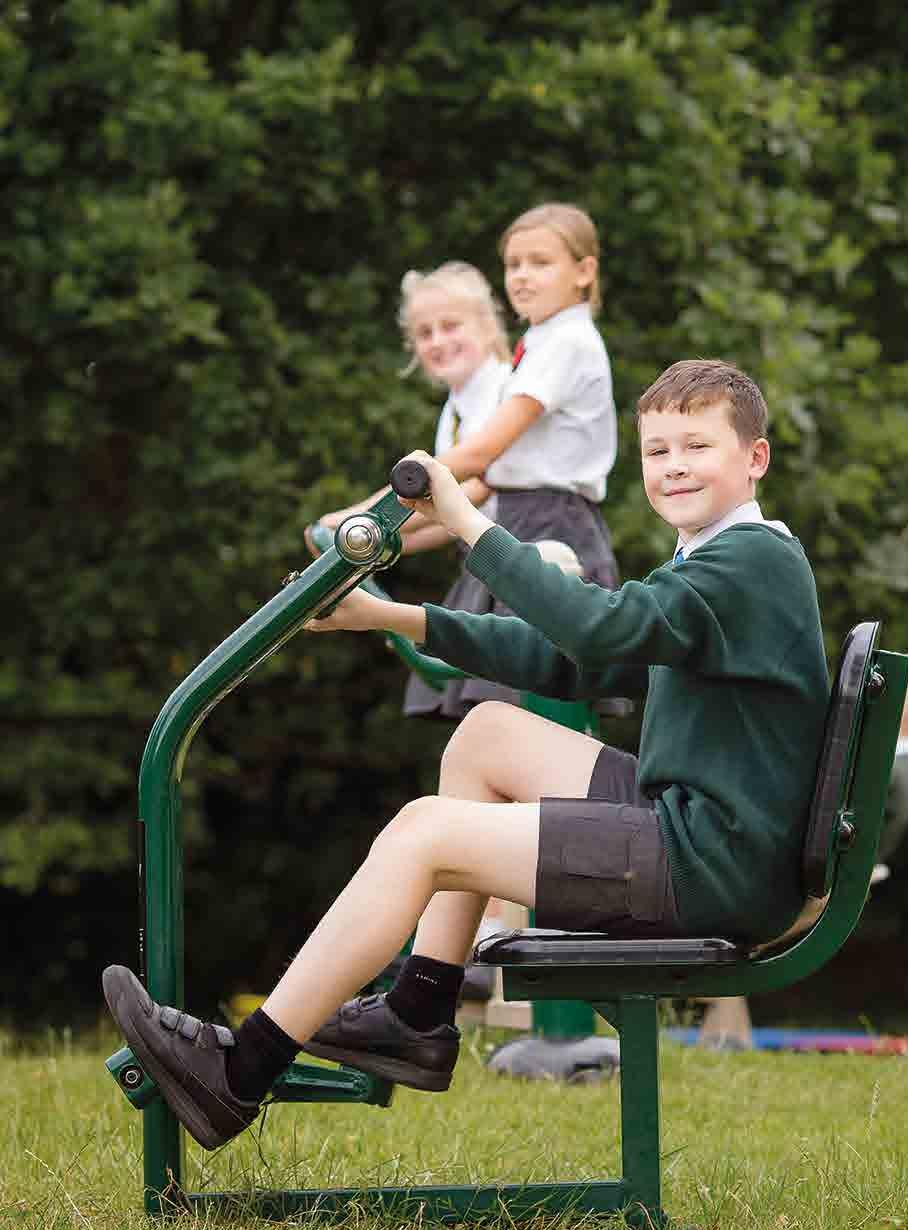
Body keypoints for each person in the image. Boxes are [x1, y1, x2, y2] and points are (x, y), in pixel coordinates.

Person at [102, 358, 830, 1151]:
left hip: (709, 862)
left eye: (697, 446)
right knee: (488, 734)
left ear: (754, 458)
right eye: (658, 450)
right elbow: (575, 662)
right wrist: (393, 617)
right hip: (708, 832)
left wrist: (466, 521)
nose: (674, 466)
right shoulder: (719, 557)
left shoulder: (746, 562)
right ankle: (418, 1009)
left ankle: (238, 1074)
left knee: (424, 832)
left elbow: (598, 629)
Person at [311, 204, 621, 718]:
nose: (522, 276)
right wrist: (373, 541)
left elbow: (478, 463)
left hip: (549, 526)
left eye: (540, 262)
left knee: (523, 704)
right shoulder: (542, 341)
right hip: (523, 520)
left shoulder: (567, 342)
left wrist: (361, 519)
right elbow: (463, 497)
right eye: (513, 264)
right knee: (494, 705)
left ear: (584, 271)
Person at [699, 653, 908, 1050]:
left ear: (900, 706)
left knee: (730, 940)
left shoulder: (889, 770)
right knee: (734, 945)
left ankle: (723, 1037)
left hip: (823, 884)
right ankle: (726, 1040)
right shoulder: (904, 767)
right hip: (828, 879)